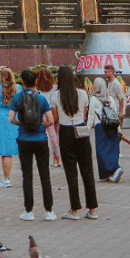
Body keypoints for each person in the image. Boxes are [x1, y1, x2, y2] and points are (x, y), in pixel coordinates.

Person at [8, 68, 56, 221]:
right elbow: (51, 120)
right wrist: (41, 126)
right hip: (41, 140)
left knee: (27, 175)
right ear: (36, 82)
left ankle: (28, 211)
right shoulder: (41, 99)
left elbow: (10, 118)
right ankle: (49, 211)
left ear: (22, 82)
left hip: (24, 140)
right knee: (45, 175)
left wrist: (21, 123)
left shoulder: (17, 98)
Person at [50, 65, 98, 218]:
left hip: (66, 132)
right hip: (81, 130)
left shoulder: (55, 96)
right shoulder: (83, 94)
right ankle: (92, 209)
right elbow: (84, 114)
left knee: (71, 173)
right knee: (87, 171)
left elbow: (55, 118)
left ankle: (75, 210)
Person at [88, 76, 123, 183]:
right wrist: (119, 129)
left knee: (101, 151)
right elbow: (114, 115)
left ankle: (109, 172)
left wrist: (87, 130)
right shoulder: (111, 98)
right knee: (112, 149)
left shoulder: (94, 99)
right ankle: (114, 169)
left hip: (101, 127)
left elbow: (91, 116)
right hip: (112, 127)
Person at [34, 67, 61, 167]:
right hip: (55, 114)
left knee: (50, 137)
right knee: (55, 137)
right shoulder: (55, 87)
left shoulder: (37, 90)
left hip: (44, 115)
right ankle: (57, 158)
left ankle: (56, 159)